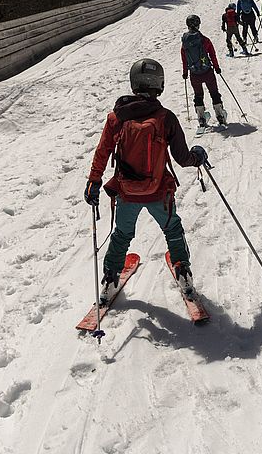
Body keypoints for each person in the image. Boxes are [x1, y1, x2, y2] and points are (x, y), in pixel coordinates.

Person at [85, 58, 207, 297]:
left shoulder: (116, 118)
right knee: (172, 228)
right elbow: (182, 158)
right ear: (159, 85)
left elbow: (103, 151)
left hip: (126, 192)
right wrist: (198, 157)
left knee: (122, 234)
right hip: (158, 192)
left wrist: (94, 181)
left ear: (134, 84)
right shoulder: (166, 117)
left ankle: (110, 279)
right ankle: (183, 272)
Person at [180, 14, 227, 127]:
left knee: (198, 95)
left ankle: (201, 118)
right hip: (207, 72)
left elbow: (184, 58)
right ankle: (220, 115)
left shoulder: (185, 42)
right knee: (214, 93)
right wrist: (216, 67)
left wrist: (185, 72)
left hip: (194, 74)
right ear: (198, 24)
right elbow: (213, 55)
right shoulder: (205, 40)